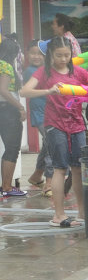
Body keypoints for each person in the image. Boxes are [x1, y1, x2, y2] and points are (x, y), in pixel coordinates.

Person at [20, 36, 88, 227]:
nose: (64, 59)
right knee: (60, 168)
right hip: (54, 124)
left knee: (78, 168)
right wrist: (48, 91)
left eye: (67, 55)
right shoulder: (44, 72)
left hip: (77, 124)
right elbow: (24, 91)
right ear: (51, 54)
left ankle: (82, 213)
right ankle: (59, 215)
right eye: (59, 55)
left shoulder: (79, 71)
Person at [0, 37, 28, 198]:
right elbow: (3, 90)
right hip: (7, 111)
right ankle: (7, 187)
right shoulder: (6, 66)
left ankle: (6, 186)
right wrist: (20, 107)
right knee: (12, 149)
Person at [22, 41, 50, 196]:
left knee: (47, 145)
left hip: (49, 113)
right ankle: (49, 183)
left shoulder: (45, 69)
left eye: (40, 54)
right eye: (33, 53)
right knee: (53, 146)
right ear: (27, 54)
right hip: (41, 114)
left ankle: (36, 176)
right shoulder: (31, 71)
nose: (36, 56)